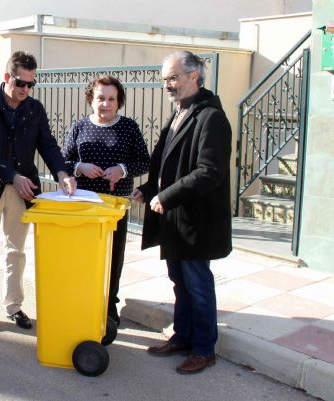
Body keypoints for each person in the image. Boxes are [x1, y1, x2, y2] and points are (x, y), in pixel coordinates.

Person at [0, 51, 77, 334]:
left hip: (21, 191)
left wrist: (62, 172)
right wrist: (13, 176)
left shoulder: (34, 109)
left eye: (31, 84)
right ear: (7, 78)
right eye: (20, 83)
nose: (26, 89)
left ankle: (14, 306)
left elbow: (47, 144)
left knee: (17, 252)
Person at [132, 51, 232, 374]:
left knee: (198, 285)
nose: (168, 85)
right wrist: (148, 190)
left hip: (196, 222)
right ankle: (183, 336)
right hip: (175, 219)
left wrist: (167, 196)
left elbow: (209, 172)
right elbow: (166, 163)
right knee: (180, 283)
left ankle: (204, 349)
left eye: (173, 78)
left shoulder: (211, 118)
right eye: (165, 79)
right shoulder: (180, 113)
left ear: (194, 76)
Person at [62, 75, 150, 327]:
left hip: (115, 207)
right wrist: (80, 167)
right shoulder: (79, 127)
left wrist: (122, 169)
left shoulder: (129, 128)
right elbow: (62, 161)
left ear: (119, 102)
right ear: (91, 99)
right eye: (100, 98)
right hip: (84, 207)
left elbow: (145, 162)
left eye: (111, 99)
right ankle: (83, 300)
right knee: (84, 257)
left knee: (113, 257)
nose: (106, 104)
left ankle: (109, 304)